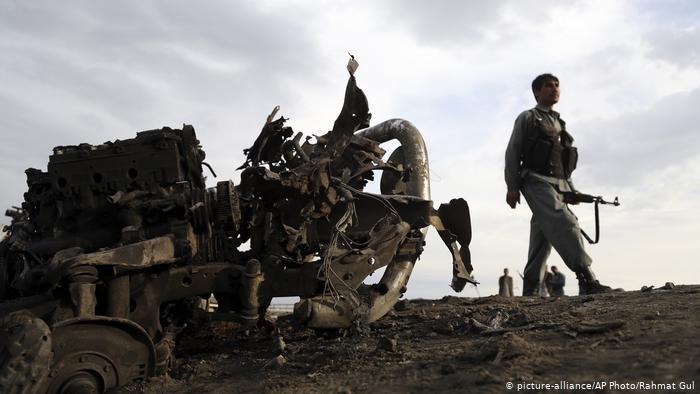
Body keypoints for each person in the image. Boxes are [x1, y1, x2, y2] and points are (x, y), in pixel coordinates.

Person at [504, 73, 613, 296]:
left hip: (557, 184)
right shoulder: (528, 117)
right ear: (536, 92)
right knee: (566, 223)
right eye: (548, 86)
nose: (554, 89)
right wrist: (512, 186)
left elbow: (562, 162)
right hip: (535, 181)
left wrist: (571, 191)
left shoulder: (559, 123)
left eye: (557, 85)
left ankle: (531, 288)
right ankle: (587, 279)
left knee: (542, 237)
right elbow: (513, 151)